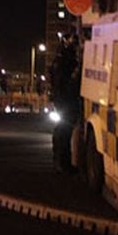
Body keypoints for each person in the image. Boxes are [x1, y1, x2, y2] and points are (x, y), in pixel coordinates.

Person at [49, 32, 81, 173]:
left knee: (63, 131)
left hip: (64, 100)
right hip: (65, 101)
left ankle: (61, 162)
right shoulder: (64, 61)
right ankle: (62, 163)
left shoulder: (62, 60)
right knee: (64, 131)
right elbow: (62, 82)